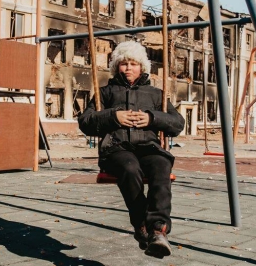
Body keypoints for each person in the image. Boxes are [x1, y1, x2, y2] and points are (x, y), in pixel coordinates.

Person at [78, 41, 184, 258]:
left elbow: (177, 123)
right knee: (130, 168)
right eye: (123, 63)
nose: (128, 68)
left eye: (133, 64)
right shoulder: (105, 93)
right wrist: (113, 116)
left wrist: (152, 118)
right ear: (116, 66)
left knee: (162, 164)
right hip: (117, 149)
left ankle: (158, 230)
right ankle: (140, 223)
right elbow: (85, 121)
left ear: (142, 67)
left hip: (148, 146)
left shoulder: (155, 94)